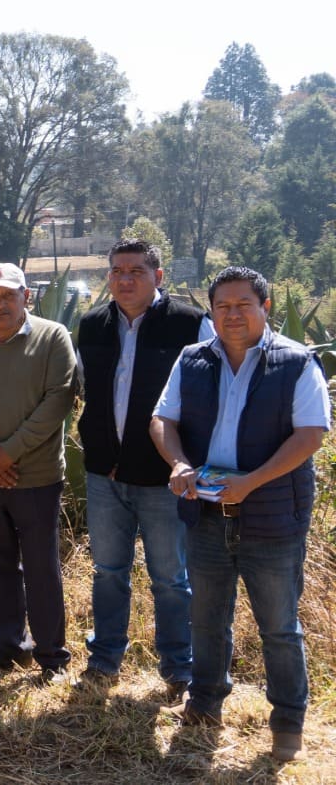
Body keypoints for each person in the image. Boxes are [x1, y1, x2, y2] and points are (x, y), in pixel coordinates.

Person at [151, 266, 328, 763]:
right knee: (206, 620)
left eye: (242, 305)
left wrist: (251, 482)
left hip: (272, 520)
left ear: (264, 307)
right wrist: (180, 463)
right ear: (211, 311)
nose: (232, 314)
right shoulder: (193, 360)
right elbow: (162, 419)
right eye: (222, 306)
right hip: (205, 515)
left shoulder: (295, 362)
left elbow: (309, 435)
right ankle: (206, 703)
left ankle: (288, 722)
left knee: (278, 626)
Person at [76, 239, 210, 698]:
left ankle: (178, 667)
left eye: (135, 270)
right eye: (116, 271)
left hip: (162, 478)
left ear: (159, 275)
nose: (125, 279)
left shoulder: (191, 324)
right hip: (103, 474)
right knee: (108, 571)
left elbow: (209, 397)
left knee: (170, 578)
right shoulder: (92, 324)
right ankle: (105, 657)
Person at [0, 263, 79, 682]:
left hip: (36, 476)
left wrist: (9, 452)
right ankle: (9, 645)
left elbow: (59, 399)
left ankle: (51, 655)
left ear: (26, 297)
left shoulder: (52, 337)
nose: (0, 303)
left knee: (41, 566)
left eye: (8, 295)